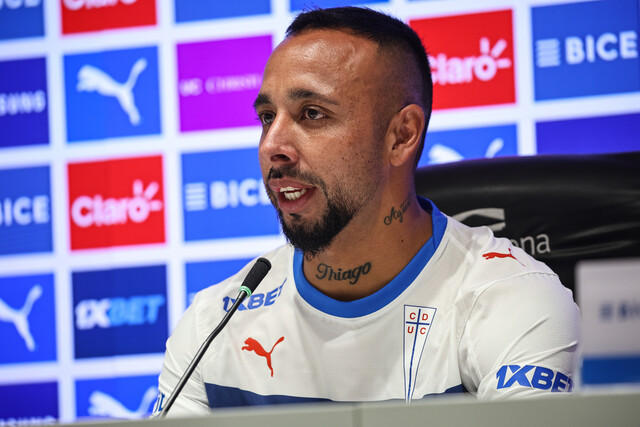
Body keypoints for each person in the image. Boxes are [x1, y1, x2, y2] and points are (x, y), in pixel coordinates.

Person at [153, 6, 580, 415]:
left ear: (402, 135)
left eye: (312, 114)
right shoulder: (214, 324)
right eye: (267, 117)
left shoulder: (512, 297)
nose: (272, 146)